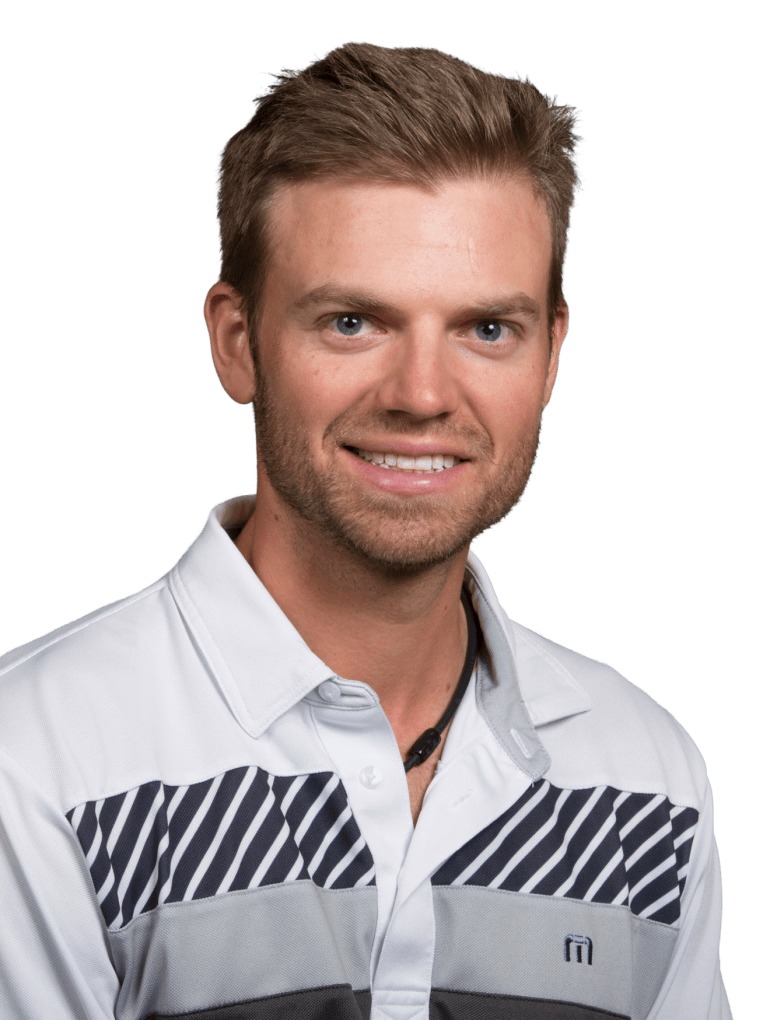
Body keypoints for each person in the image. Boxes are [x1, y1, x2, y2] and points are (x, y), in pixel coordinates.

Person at [0, 42, 730, 1020]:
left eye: (485, 329)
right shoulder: (38, 764)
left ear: (551, 353)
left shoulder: (647, 778)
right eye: (352, 322)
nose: (423, 396)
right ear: (237, 342)